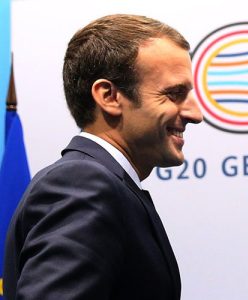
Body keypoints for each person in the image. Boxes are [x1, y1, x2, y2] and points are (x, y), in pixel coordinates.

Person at [3, 14, 202, 300]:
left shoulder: (103, 185)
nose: (196, 114)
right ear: (109, 96)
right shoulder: (83, 184)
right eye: (174, 94)